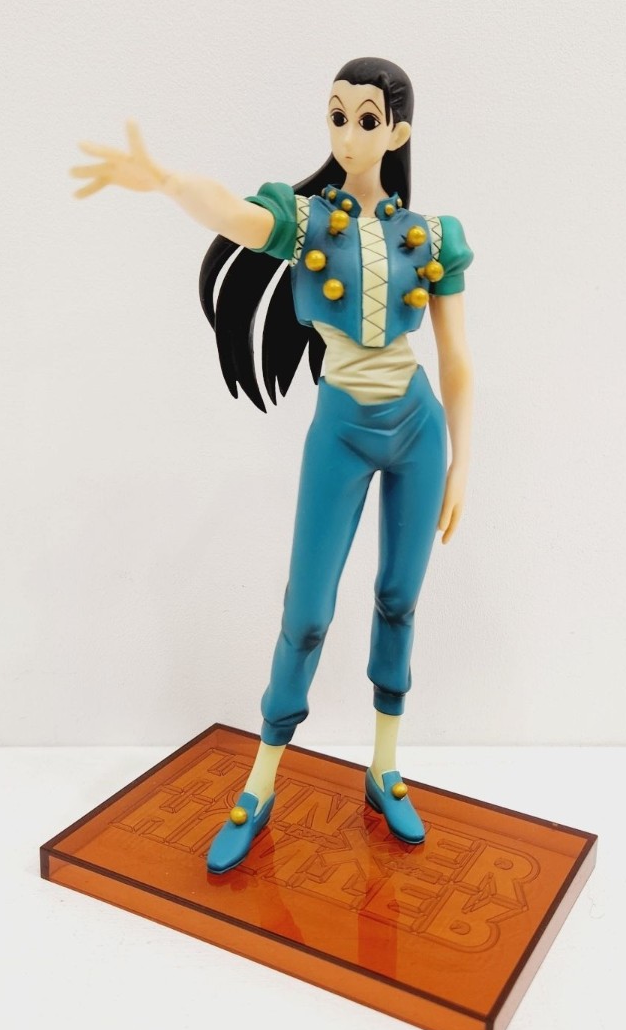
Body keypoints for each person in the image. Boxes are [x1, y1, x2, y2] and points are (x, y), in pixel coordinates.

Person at [71, 57, 474, 874]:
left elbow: (458, 360)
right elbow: (231, 214)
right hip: (340, 431)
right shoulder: (307, 221)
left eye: (366, 119)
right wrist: (167, 182)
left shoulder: (433, 237)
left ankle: (384, 768)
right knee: (308, 611)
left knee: (399, 600)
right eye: (337, 115)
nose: (348, 133)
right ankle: (260, 782)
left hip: (418, 429)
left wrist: (463, 461)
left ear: (397, 132)